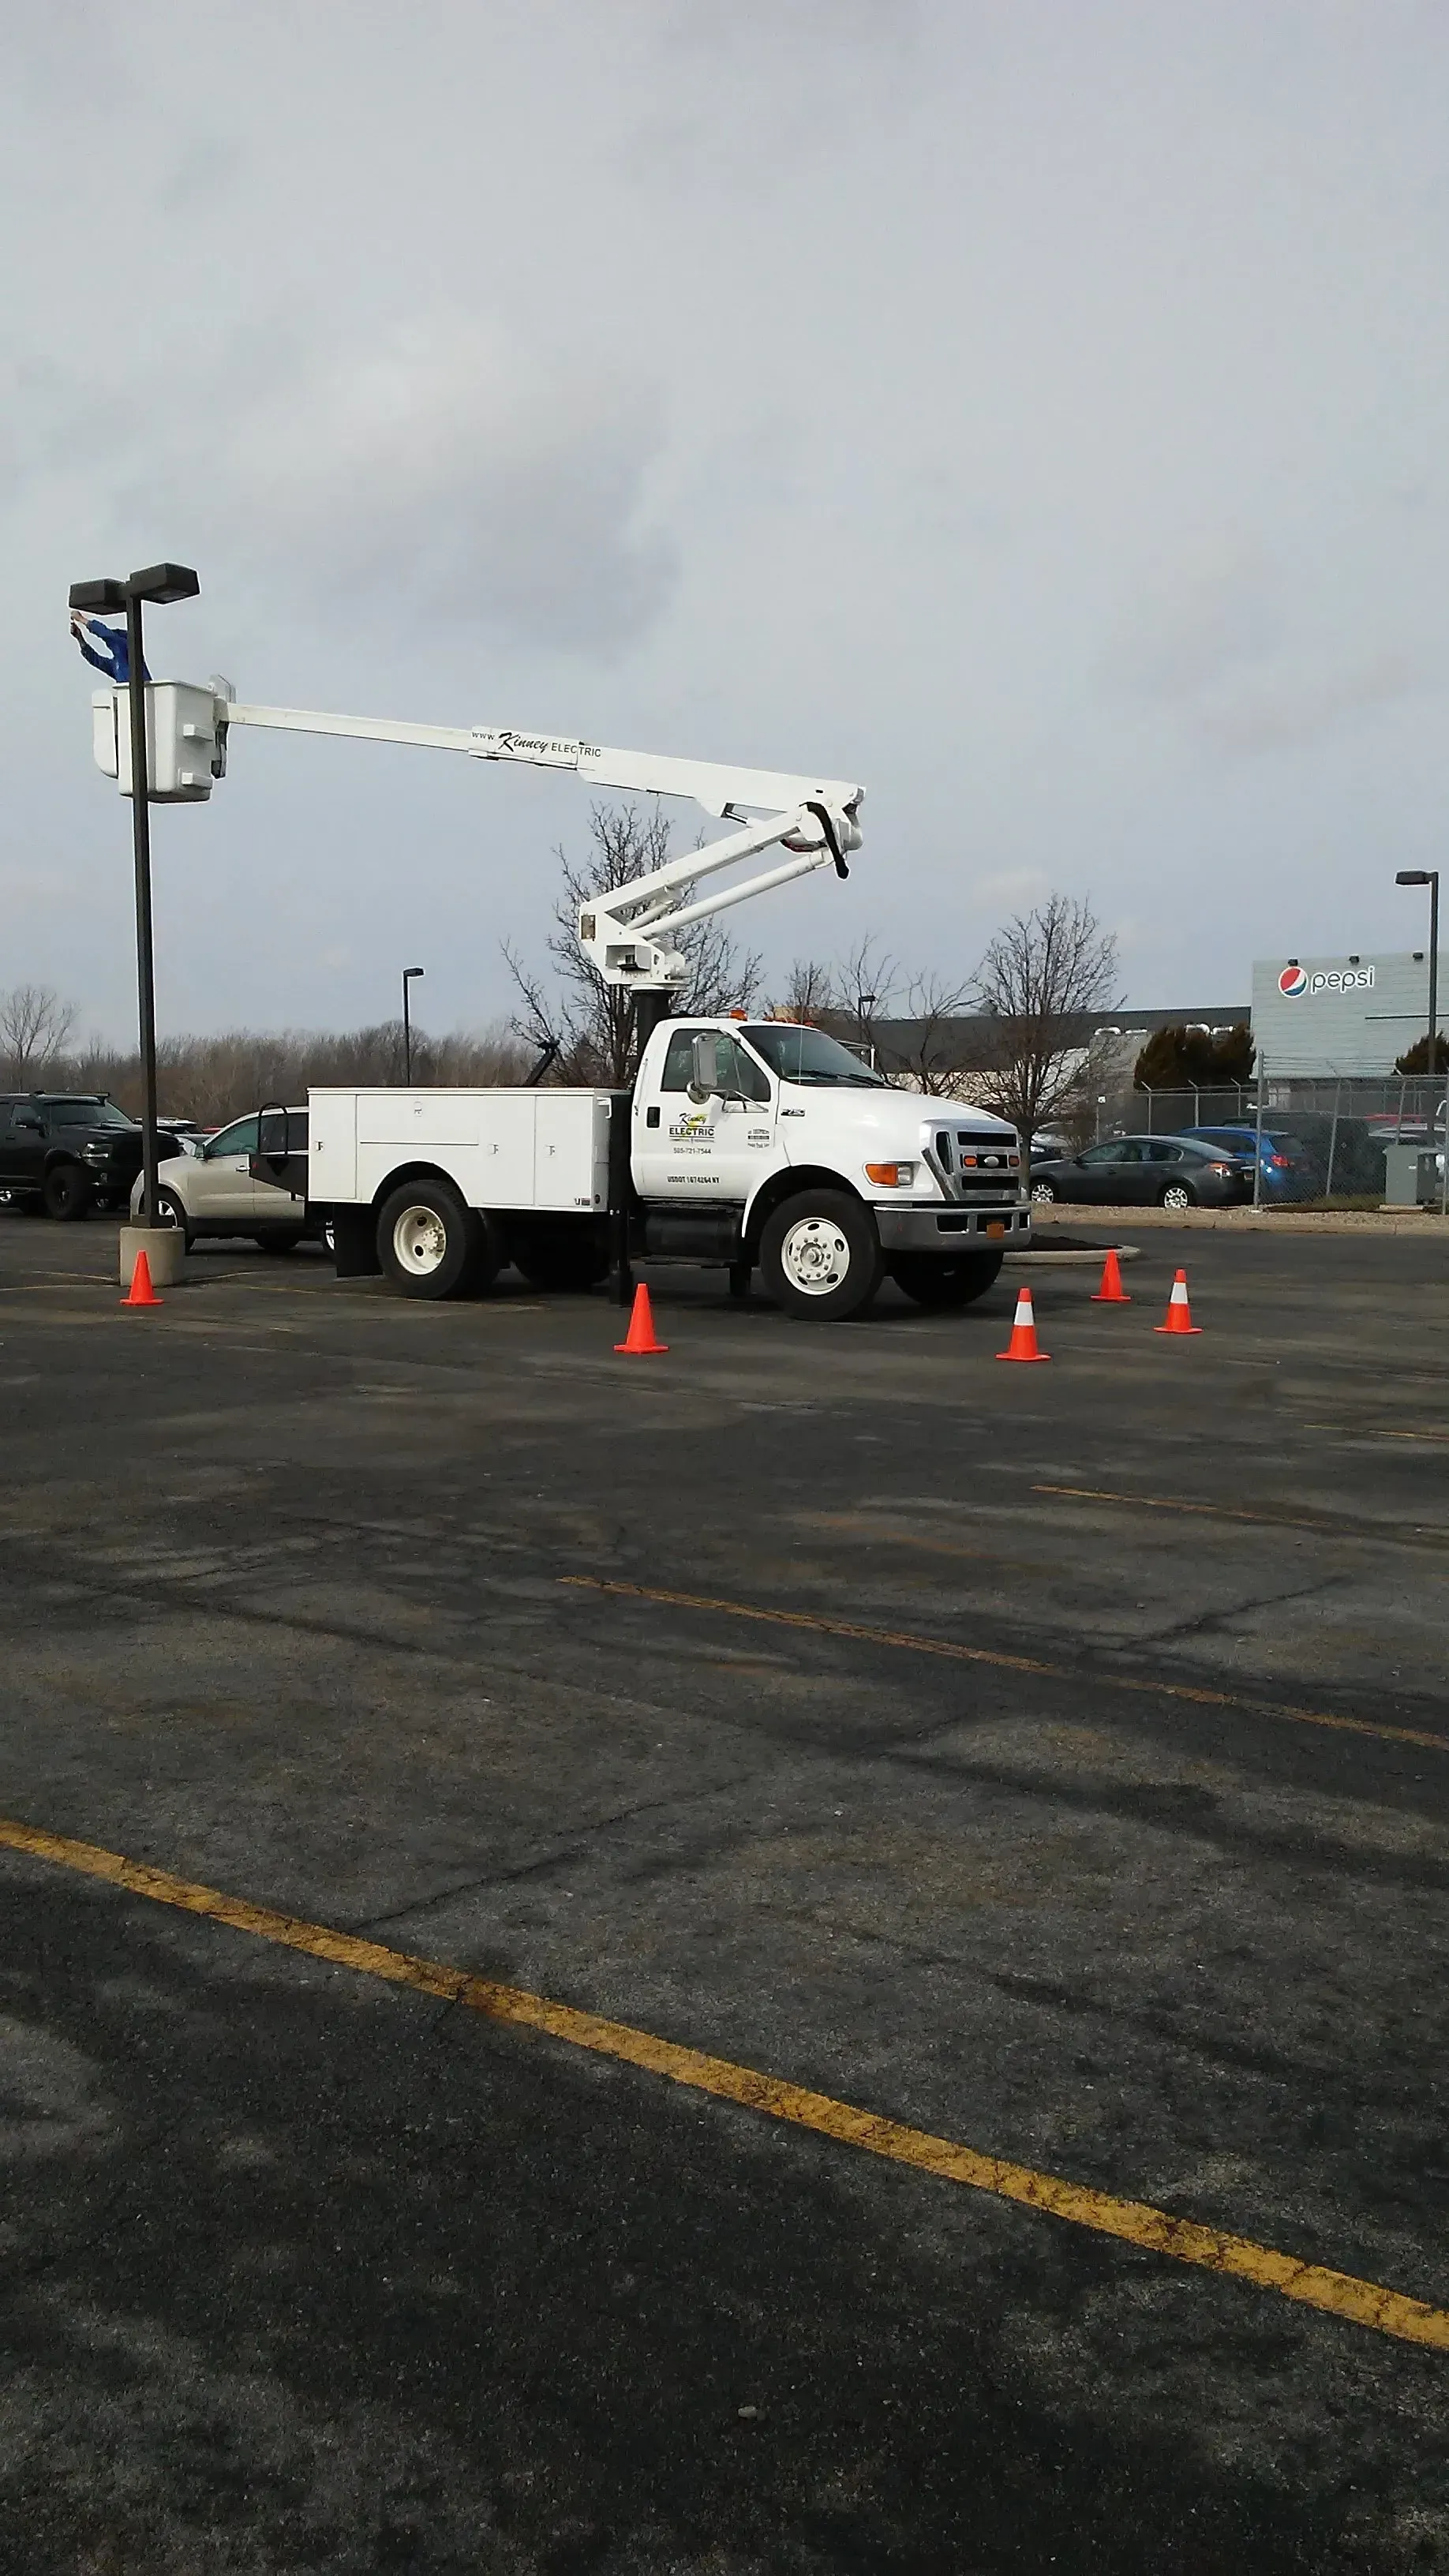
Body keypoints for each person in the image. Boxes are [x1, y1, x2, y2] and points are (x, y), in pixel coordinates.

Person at [70, 611, 148, 684]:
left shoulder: (129, 649)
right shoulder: (117, 665)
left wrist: (82, 620)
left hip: (141, 696)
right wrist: (79, 638)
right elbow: (96, 660)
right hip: (129, 697)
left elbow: (108, 636)